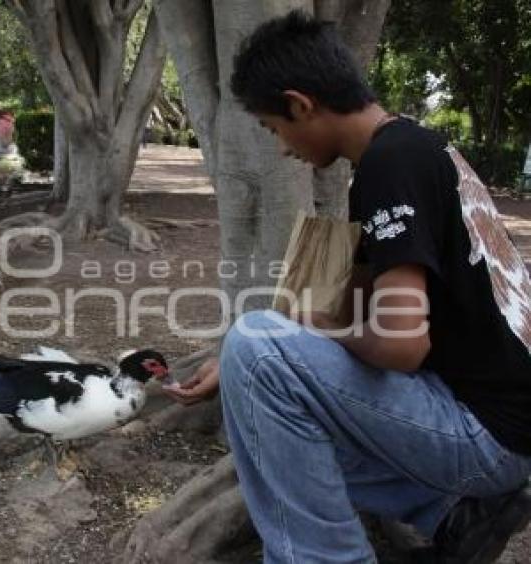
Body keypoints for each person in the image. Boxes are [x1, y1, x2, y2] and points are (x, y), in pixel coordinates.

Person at [162, 10, 531, 564]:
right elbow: (343, 310)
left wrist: (269, 352)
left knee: (257, 349)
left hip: (487, 439)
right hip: (504, 431)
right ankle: (454, 516)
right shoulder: (417, 149)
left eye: (273, 128)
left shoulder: (389, 165)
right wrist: (246, 362)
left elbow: (404, 345)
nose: (283, 147)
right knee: (271, 394)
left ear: (300, 104)